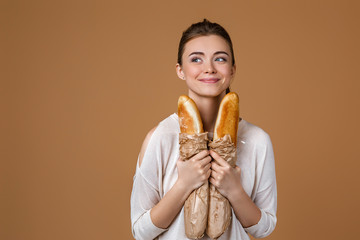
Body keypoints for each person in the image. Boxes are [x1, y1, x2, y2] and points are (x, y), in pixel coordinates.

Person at [130, 19, 277, 240]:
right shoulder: (160, 137)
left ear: (232, 69)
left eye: (220, 59)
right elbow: (141, 231)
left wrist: (234, 191)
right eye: (196, 59)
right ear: (180, 70)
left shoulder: (257, 140)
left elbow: (264, 228)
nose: (209, 68)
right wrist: (184, 185)